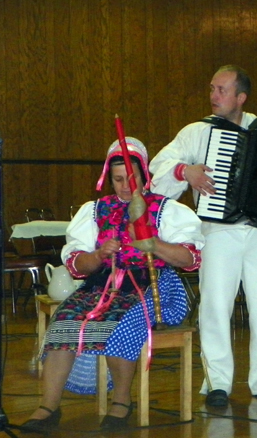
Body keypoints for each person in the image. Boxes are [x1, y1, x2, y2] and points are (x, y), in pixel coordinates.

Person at [149, 65, 257, 407]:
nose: (213, 96)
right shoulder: (197, 131)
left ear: (241, 97)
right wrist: (185, 171)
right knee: (214, 306)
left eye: (221, 90)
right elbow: (159, 170)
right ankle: (217, 383)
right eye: (211, 89)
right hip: (218, 230)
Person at [21, 137, 204, 433]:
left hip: (155, 288)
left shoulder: (166, 210)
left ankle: (121, 402)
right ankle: (48, 407)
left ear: (145, 177)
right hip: (101, 287)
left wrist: (153, 243)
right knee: (63, 320)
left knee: (120, 324)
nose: (124, 187)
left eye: (131, 179)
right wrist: (97, 255)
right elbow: (78, 266)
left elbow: (190, 258)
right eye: (118, 180)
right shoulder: (95, 211)